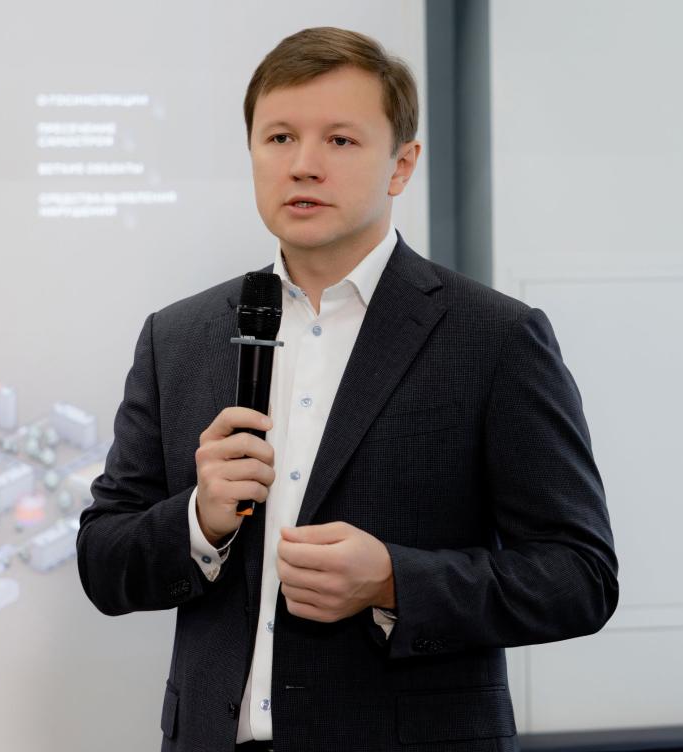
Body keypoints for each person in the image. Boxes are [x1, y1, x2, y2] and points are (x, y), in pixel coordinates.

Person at [75, 26, 618, 752]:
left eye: (340, 140)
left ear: (402, 165)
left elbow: (580, 576)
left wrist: (394, 580)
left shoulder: (495, 337)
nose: (303, 165)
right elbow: (103, 560)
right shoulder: (178, 337)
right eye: (279, 138)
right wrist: (199, 521)